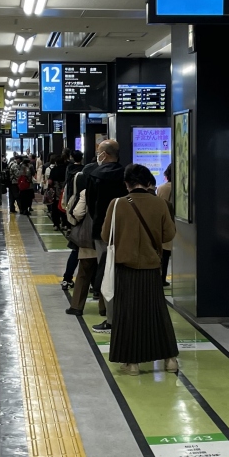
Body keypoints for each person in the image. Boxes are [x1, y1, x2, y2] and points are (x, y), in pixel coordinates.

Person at [101, 164, 178, 375]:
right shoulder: (160, 204)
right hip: (152, 267)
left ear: (127, 183)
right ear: (148, 182)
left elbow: (106, 235)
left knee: (127, 314)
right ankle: (170, 360)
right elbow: (169, 234)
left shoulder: (117, 204)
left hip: (125, 268)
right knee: (158, 313)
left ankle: (132, 364)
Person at [84, 140, 126, 333]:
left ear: (105, 154)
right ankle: (126, 316)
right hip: (124, 232)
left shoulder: (95, 175)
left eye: (99, 151)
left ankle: (110, 319)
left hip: (102, 231)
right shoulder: (126, 174)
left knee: (107, 273)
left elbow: (91, 205)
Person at [63, 168, 98, 315]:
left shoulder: (86, 192)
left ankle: (77, 306)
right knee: (105, 272)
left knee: (84, 271)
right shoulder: (114, 191)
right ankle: (104, 308)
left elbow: (77, 213)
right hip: (107, 238)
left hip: (89, 237)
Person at [60, 152, 83, 290]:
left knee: (75, 251)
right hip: (90, 226)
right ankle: (95, 286)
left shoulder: (70, 174)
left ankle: (67, 279)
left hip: (76, 223)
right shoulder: (86, 192)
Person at [156, 164, 174, 287]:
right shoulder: (182, 187)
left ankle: (161, 277)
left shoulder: (161, 188)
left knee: (164, 252)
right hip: (177, 222)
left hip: (163, 221)